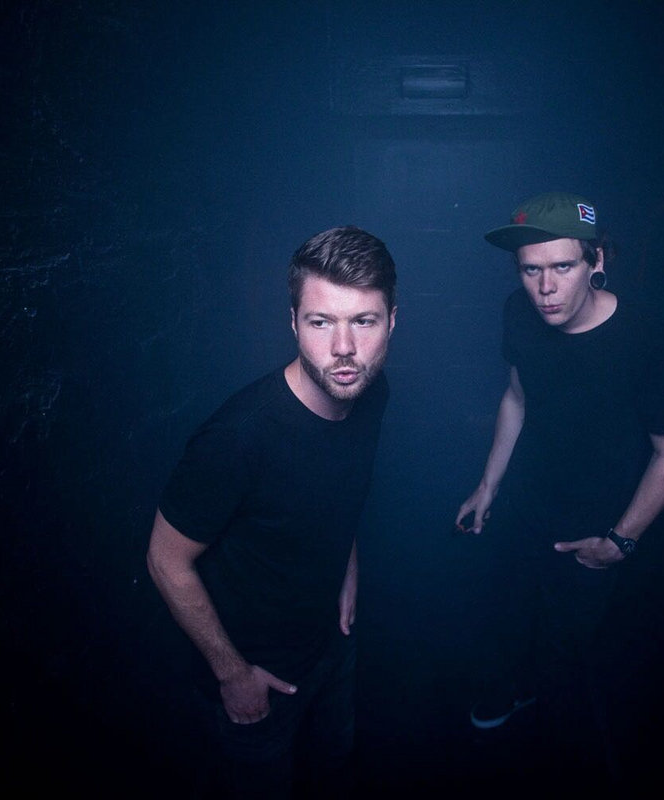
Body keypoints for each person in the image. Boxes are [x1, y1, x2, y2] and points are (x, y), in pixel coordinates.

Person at [147, 225, 397, 799]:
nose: (343, 347)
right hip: (258, 673)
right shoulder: (238, 437)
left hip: (330, 646)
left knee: (333, 768)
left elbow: (338, 484)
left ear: (392, 322)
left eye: (363, 321)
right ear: (293, 323)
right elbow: (164, 560)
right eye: (320, 322)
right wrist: (232, 674)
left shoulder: (370, 391)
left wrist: (348, 565)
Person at [455, 191, 664, 790]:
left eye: (562, 266)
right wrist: (488, 485)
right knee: (505, 612)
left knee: (571, 658)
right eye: (531, 270)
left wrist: (621, 540)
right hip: (527, 503)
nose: (545, 288)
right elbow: (517, 397)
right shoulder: (518, 313)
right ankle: (515, 698)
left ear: (596, 261)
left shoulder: (644, 337)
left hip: (596, 525)